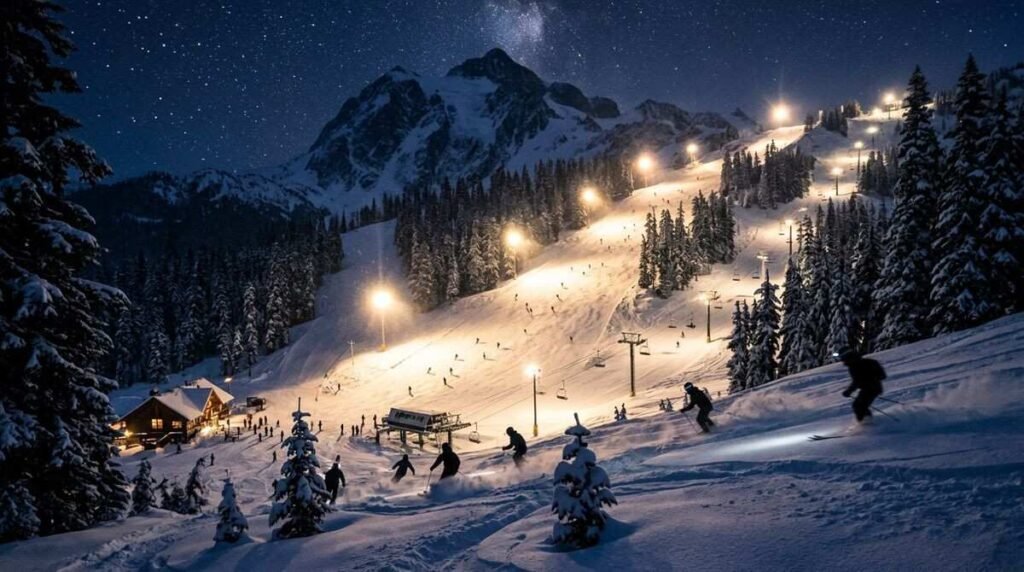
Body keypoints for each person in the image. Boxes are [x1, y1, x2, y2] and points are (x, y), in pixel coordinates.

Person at [839, 350, 886, 422]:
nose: (844, 363)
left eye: (845, 361)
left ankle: (867, 423)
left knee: (859, 406)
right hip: (867, 389)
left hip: (873, 388)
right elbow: (857, 381)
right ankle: (866, 422)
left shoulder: (866, 364)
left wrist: (849, 391)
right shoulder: (853, 366)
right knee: (859, 405)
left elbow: (882, 375)